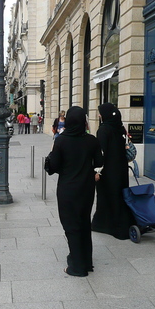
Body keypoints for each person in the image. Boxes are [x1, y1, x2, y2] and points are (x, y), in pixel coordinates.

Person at [49, 106, 104, 277]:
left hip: (68, 189)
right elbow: (99, 161)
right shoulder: (91, 140)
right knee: (84, 223)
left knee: (71, 226)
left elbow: (52, 166)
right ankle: (86, 261)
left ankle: (77, 267)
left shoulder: (62, 140)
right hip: (87, 188)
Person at [91, 102, 135, 240]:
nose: (99, 115)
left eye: (100, 113)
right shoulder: (120, 128)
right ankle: (120, 223)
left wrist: (97, 171)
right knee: (119, 196)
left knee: (106, 196)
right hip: (121, 170)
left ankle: (106, 225)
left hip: (108, 171)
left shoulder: (103, 130)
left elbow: (101, 152)